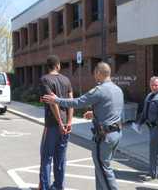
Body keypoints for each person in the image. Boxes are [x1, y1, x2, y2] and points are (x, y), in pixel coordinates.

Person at [43, 62, 124, 190]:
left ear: (98, 73)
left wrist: (57, 100)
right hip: (116, 134)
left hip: (104, 137)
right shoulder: (117, 90)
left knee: (104, 170)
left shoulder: (100, 90)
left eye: (94, 73)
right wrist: (95, 113)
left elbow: (78, 102)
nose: (94, 76)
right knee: (101, 169)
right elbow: (115, 111)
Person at [38, 55, 73, 190]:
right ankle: (59, 186)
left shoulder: (45, 80)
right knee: (61, 157)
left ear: (48, 66)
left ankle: (46, 187)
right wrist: (69, 122)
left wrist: (59, 122)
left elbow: (53, 103)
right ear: (58, 65)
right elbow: (71, 101)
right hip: (66, 125)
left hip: (53, 124)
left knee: (47, 158)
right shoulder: (66, 80)